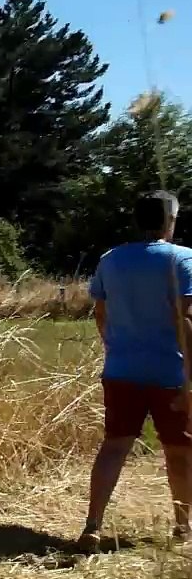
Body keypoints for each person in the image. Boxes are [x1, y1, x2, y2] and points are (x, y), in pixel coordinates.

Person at [81, 190, 192, 552]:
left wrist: (112, 346)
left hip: (121, 369)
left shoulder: (111, 259)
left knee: (114, 445)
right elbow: (185, 320)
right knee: (178, 450)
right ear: (169, 221)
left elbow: (100, 312)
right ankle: (182, 527)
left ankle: (93, 525)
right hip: (171, 373)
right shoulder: (183, 259)